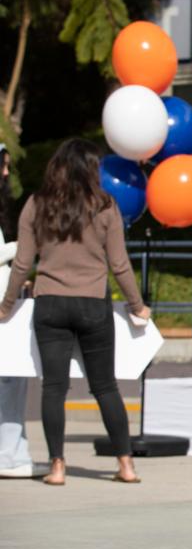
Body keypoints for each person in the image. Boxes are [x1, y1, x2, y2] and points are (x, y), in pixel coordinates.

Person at [0, 139, 150, 485]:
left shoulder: (36, 205)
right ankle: (126, 465)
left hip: (50, 304)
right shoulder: (105, 206)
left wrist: (6, 307)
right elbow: (119, 264)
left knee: (54, 387)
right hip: (93, 304)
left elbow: (23, 264)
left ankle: (57, 467)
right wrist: (137, 305)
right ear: (90, 170)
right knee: (105, 387)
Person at [0, 145, 48, 479]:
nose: (6, 173)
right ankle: (8, 453)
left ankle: (14, 450)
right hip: (5, 306)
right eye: (2, 166)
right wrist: (23, 247)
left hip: (10, 302)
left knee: (13, 378)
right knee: (9, 378)